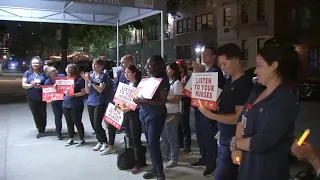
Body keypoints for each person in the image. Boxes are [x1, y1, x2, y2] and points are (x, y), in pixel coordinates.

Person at [229, 41, 301, 180]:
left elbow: (263, 141)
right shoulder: (257, 90)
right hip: (247, 167)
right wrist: (237, 148)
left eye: (259, 66)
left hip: (266, 170)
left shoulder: (284, 98)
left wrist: (235, 144)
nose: (255, 71)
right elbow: (242, 118)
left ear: (274, 66)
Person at [198, 43, 253, 180]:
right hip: (224, 135)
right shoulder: (230, 81)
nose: (222, 68)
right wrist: (217, 106)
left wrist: (211, 115)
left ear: (235, 61)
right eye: (220, 64)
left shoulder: (243, 85)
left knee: (223, 174)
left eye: (224, 64)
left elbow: (239, 118)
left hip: (233, 139)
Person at [133, 55, 169, 180]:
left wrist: (144, 100)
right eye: (147, 64)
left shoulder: (163, 80)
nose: (147, 66)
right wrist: (137, 100)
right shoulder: (147, 80)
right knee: (149, 143)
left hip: (156, 116)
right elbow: (142, 98)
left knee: (153, 144)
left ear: (157, 66)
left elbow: (162, 102)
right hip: (145, 114)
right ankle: (155, 168)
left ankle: (160, 173)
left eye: (150, 64)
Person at [191, 46, 226, 177]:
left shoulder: (216, 72)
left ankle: (211, 163)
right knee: (200, 134)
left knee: (208, 136)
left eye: (207, 55)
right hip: (199, 107)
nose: (204, 57)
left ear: (213, 57)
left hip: (209, 109)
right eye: (203, 54)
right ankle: (204, 157)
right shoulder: (203, 71)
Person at [81, 58, 112, 153]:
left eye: (96, 65)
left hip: (99, 102)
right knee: (93, 124)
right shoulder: (90, 75)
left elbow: (100, 89)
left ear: (101, 66)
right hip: (90, 101)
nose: (94, 67)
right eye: (93, 64)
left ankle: (105, 141)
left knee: (97, 123)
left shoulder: (103, 76)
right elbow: (87, 91)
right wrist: (86, 81)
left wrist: (91, 81)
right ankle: (100, 140)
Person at [122, 65, 146, 174]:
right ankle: (138, 159)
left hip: (135, 116)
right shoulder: (127, 85)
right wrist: (119, 108)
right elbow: (122, 100)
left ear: (134, 73)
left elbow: (140, 103)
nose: (125, 74)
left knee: (135, 139)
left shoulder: (139, 85)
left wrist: (128, 108)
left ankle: (138, 163)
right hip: (126, 114)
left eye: (128, 72)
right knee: (130, 138)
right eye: (125, 73)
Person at [161, 62, 183, 168]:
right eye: (166, 69)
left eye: (169, 69)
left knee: (172, 136)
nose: (167, 71)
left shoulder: (177, 83)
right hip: (165, 111)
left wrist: (164, 99)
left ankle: (174, 159)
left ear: (174, 70)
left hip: (173, 112)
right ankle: (166, 154)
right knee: (164, 135)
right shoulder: (167, 82)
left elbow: (177, 99)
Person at [22, 56, 47, 138]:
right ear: (31, 64)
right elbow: (24, 85)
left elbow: (48, 84)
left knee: (43, 113)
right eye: (33, 63)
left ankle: (43, 127)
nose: (35, 64)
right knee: (35, 113)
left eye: (36, 63)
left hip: (42, 96)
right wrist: (31, 85)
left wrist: (41, 87)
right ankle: (40, 130)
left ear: (40, 64)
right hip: (31, 97)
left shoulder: (44, 73)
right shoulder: (27, 73)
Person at [63, 63, 87, 147]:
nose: (66, 70)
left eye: (68, 69)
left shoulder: (79, 80)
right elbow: (61, 89)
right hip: (66, 103)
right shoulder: (65, 79)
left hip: (76, 104)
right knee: (69, 122)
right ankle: (71, 138)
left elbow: (83, 92)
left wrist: (74, 94)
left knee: (77, 121)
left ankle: (82, 139)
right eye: (67, 69)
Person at [44, 66, 66, 140]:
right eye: (51, 72)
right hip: (56, 102)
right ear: (48, 74)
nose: (54, 73)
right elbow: (47, 98)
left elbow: (69, 86)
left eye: (55, 71)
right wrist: (50, 99)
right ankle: (59, 132)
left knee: (69, 116)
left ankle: (71, 131)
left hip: (65, 100)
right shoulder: (47, 82)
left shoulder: (62, 77)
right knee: (58, 117)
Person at [176, 60, 192, 156]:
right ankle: (180, 143)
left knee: (185, 124)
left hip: (185, 102)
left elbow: (189, 91)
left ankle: (187, 146)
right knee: (179, 125)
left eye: (179, 67)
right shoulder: (177, 78)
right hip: (178, 103)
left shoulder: (187, 77)